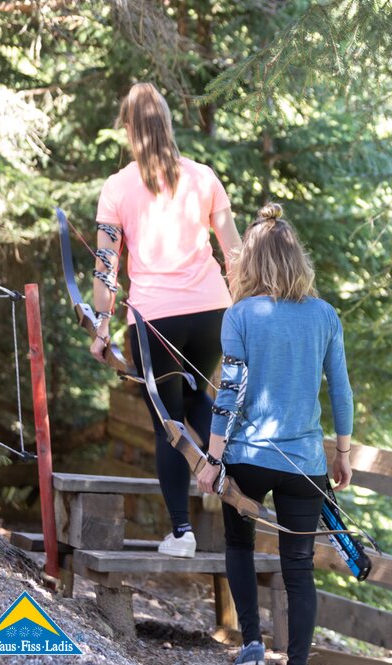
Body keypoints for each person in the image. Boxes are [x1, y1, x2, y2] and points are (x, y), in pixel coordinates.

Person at [195, 203, 354, 665]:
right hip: (305, 464)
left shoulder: (241, 315)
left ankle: (251, 644)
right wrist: (341, 454)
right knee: (299, 569)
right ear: (296, 259)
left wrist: (212, 458)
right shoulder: (325, 316)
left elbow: (230, 391)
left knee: (239, 545)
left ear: (252, 261)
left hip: (246, 458)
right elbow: (341, 391)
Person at [90, 82, 242, 558]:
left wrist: (101, 326)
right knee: (201, 402)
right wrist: (242, 310)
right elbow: (234, 253)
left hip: (155, 320)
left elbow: (105, 265)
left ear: (130, 129)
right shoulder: (204, 177)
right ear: (169, 124)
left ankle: (182, 533)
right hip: (211, 313)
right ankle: (224, 498)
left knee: (167, 422)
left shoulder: (116, 188)